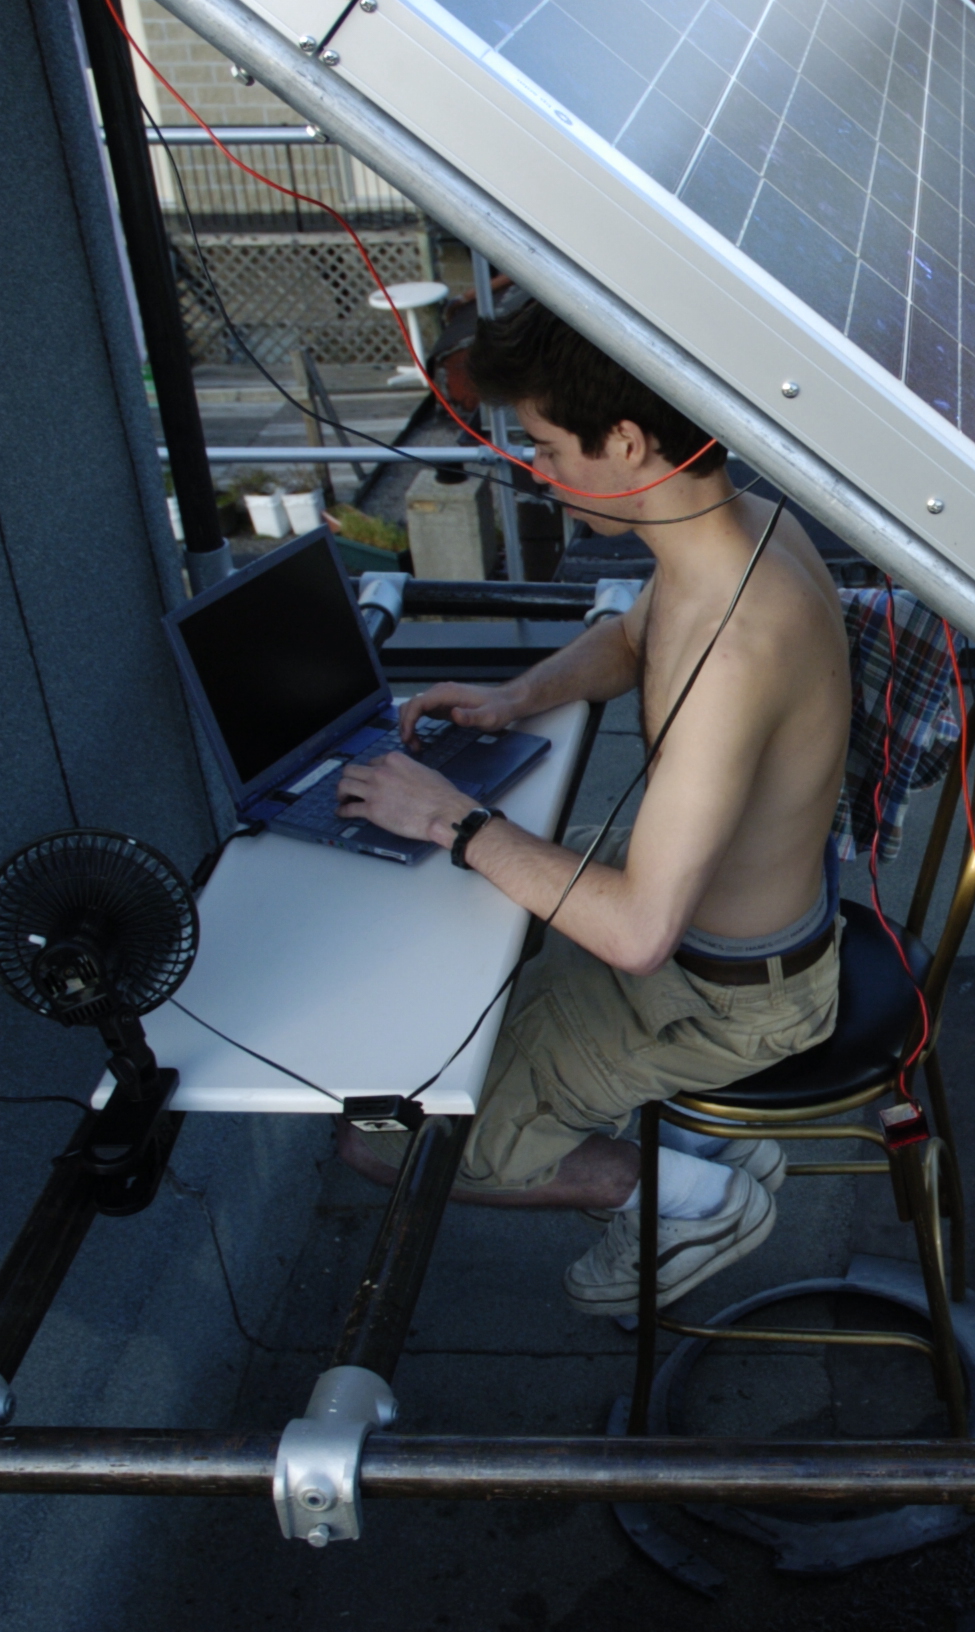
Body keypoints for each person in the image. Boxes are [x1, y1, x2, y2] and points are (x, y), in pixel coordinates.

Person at [329, 301, 852, 1317]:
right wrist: (516, 697)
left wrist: (449, 817)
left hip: (719, 997)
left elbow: (637, 931)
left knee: (379, 1139)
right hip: (727, 937)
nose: (535, 472)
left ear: (626, 441)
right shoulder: (745, 529)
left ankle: (681, 1198)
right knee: (459, 906)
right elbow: (627, 641)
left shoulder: (734, 651)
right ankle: (692, 1135)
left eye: (546, 447)